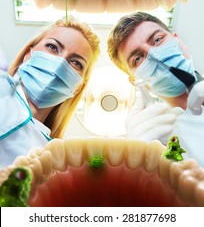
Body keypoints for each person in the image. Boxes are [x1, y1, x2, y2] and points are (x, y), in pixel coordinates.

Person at [0, 15, 100, 170]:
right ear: (28, 54)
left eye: (76, 63)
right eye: (53, 47)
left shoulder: (52, 161)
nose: (60, 63)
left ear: (78, 87)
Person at [107, 11, 204, 167]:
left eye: (158, 40)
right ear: (135, 81)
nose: (154, 55)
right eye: (138, 58)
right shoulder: (164, 139)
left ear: (178, 40)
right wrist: (142, 166)